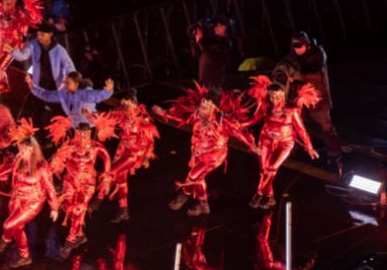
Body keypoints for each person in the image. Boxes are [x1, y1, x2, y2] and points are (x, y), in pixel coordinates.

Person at [153, 86, 256, 217]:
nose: (202, 108)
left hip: (214, 156)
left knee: (193, 176)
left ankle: (183, 195)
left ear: (214, 108)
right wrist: (164, 113)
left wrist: (251, 145)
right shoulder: (197, 115)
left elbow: (238, 133)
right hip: (198, 153)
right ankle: (203, 206)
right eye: (202, 104)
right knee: (199, 178)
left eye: (206, 107)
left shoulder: (221, 121)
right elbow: (183, 120)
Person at [247, 77, 320, 209]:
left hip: (284, 143)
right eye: (271, 96)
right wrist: (236, 124)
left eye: (276, 96)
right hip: (266, 140)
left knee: (271, 169)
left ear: (281, 95)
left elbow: (301, 130)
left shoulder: (291, 110)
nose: (273, 99)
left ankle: (259, 193)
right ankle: (269, 198)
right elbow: (253, 120)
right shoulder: (265, 106)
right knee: (263, 170)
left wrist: (309, 147)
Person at [272, 31, 342, 170]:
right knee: (293, 125)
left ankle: (334, 153)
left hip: (317, 98)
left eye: (300, 46)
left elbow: (314, 73)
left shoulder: (316, 56)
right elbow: (285, 68)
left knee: (325, 125)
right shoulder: (292, 58)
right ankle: (291, 150)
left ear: (307, 45)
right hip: (298, 98)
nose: (297, 49)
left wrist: (298, 77)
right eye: (294, 46)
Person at [0, 137, 58, 267]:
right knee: (17, 228)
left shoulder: (41, 166)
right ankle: (24, 256)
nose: (21, 152)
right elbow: (10, 170)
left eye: (24, 149)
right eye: (19, 148)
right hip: (16, 199)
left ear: (32, 149)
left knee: (8, 225)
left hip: (32, 202)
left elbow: (50, 187)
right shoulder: (18, 160)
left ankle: (5, 240)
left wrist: (54, 207)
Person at [50, 122, 111, 259]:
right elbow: (57, 162)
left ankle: (70, 241)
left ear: (90, 133)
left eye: (85, 133)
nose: (82, 137)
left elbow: (107, 160)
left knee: (79, 208)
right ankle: (80, 235)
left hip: (87, 183)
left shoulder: (96, 147)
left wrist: (104, 183)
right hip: (70, 182)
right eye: (80, 133)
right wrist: (55, 176)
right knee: (69, 208)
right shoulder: (69, 145)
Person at [103, 91, 159, 222]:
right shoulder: (121, 113)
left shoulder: (142, 119)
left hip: (133, 153)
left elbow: (149, 139)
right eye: (124, 105)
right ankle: (124, 211)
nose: (126, 108)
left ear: (134, 105)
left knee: (110, 173)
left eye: (128, 106)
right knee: (121, 181)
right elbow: (107, 118)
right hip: (122, 149)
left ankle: (96, 201)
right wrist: (93, 117)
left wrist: (146, 156)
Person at [26, 71, 114, 128]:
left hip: (89, 125)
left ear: (76, 84)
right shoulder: (63, 94)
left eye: (68, 83)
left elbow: (100, 95)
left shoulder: (86, 93)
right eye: (65, 82)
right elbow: (47, 95)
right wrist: (32, 86)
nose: (65, 84)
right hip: (74, 126)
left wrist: (108, 90)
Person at [12, 24, 75, 90]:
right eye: (38, 34)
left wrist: (73, 81)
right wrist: (12, 51)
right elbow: (23, 56)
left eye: (42, 35)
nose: (39, 37)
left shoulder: (59, 50)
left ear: (50, 34)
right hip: (39, 82)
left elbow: (69, 66)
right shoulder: (33, 44)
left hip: (55, 84)